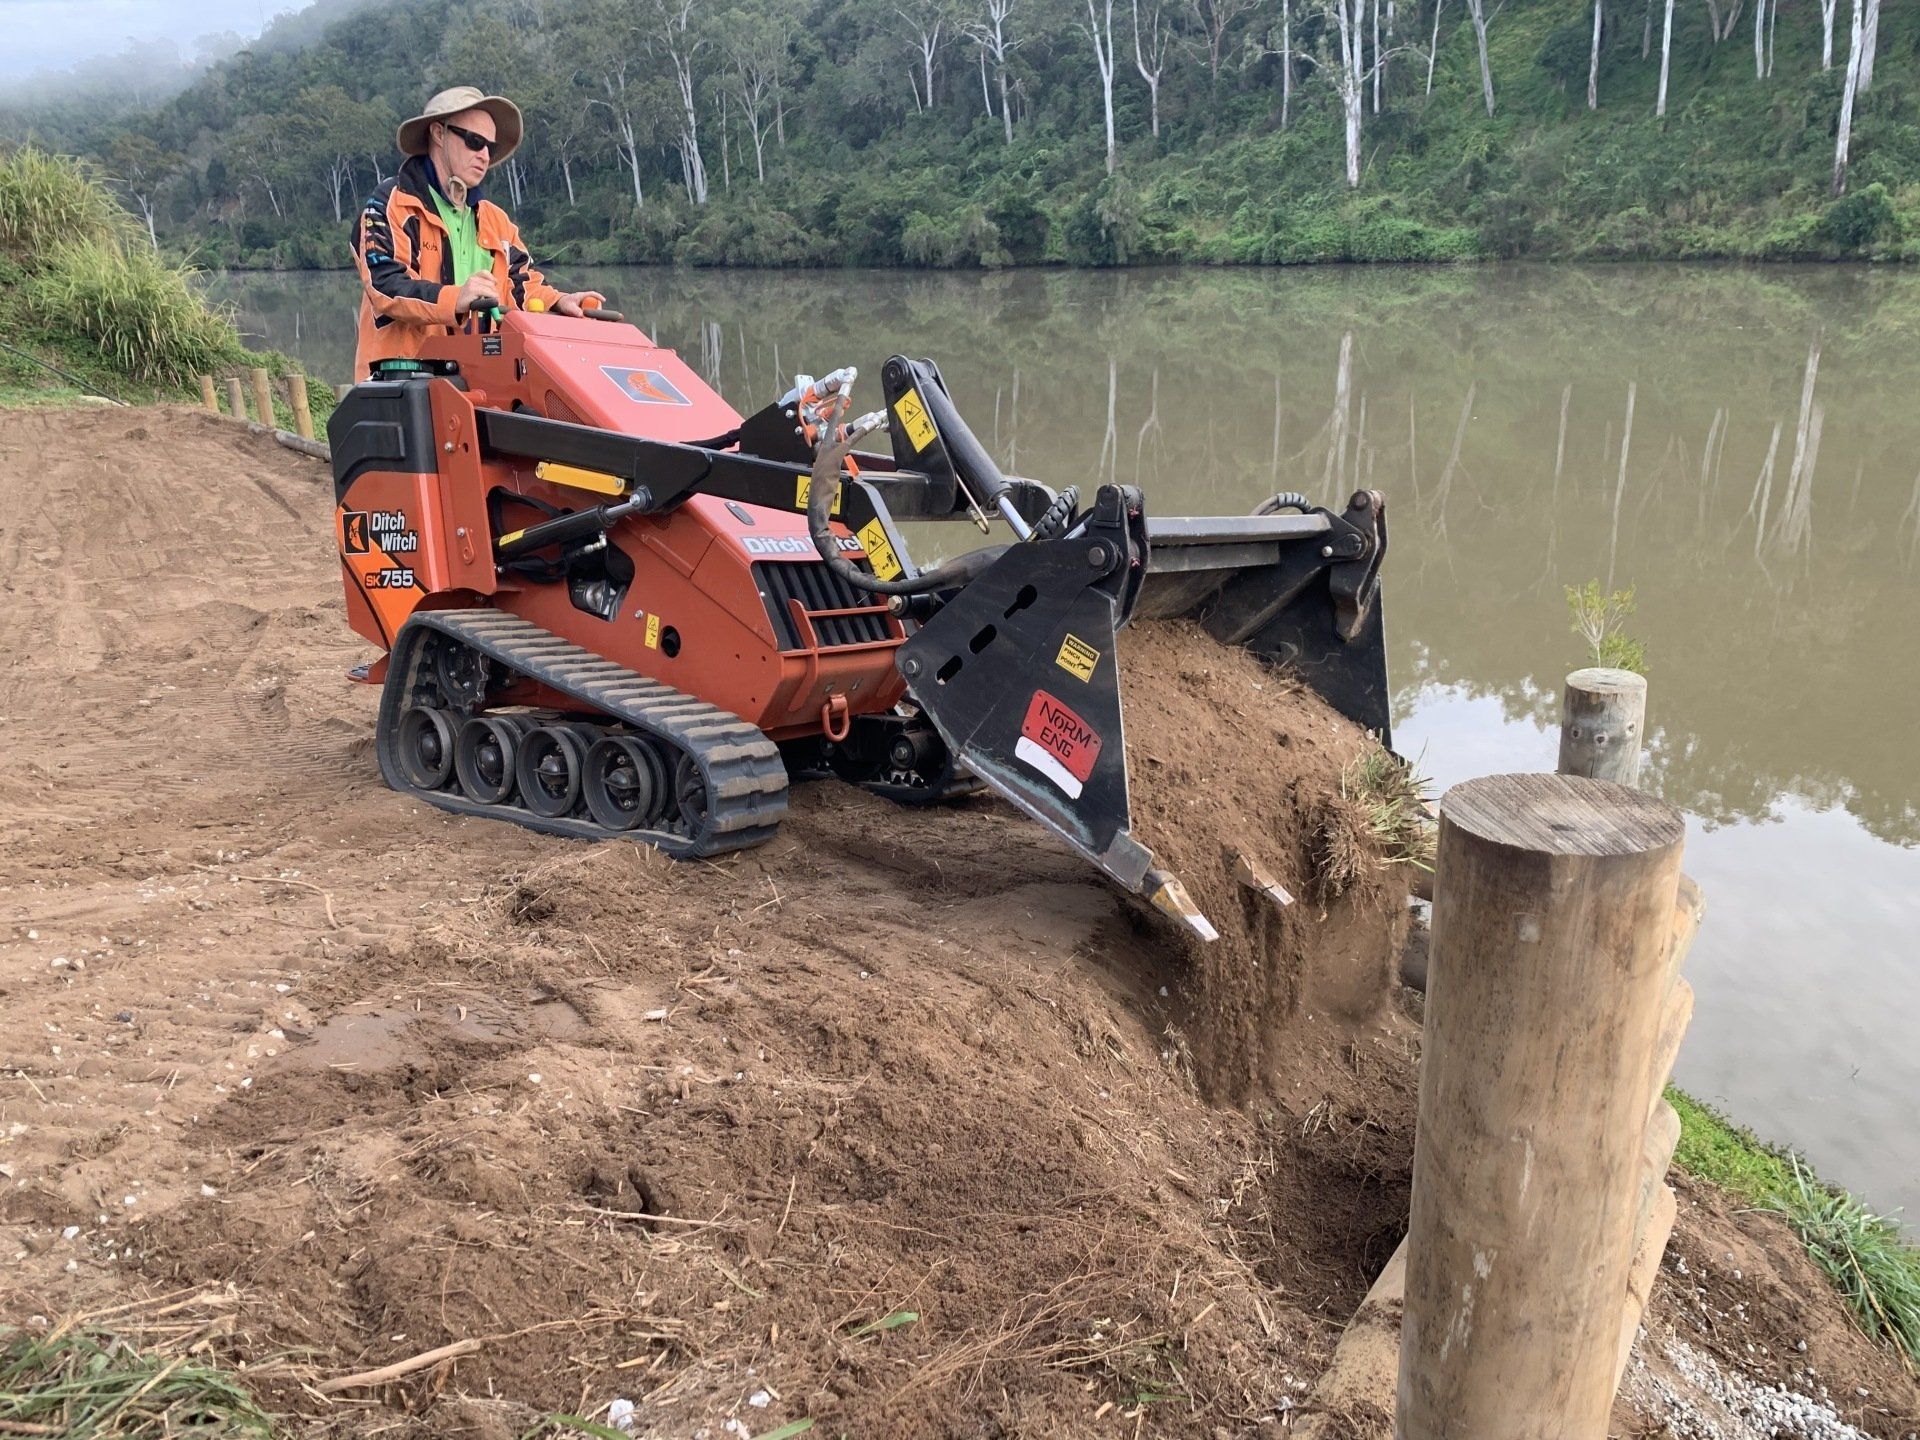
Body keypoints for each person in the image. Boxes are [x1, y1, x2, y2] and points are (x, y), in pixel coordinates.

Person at [352, 86, 603, 378]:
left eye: (490, 148)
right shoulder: (391, 203)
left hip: (474, 383)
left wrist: (560, 302)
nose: (484, 155)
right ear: (438, 133)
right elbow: (385, 285)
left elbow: (522, 286)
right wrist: (455, 298)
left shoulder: (496, 221)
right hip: (399, 385)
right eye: (474, 141)